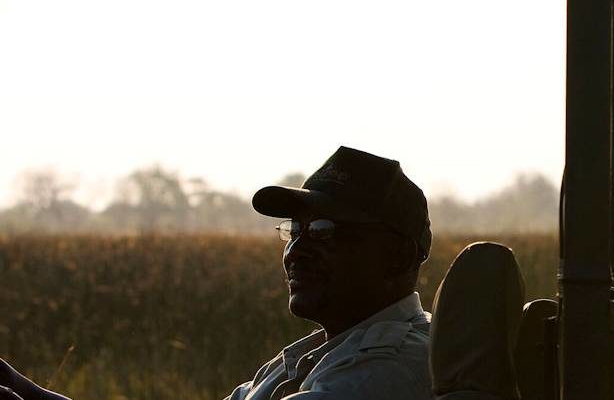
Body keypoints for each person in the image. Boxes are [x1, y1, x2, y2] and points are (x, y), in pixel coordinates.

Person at [0, 146, 436, 400]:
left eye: (324, 231)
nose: (298, 251)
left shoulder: (389, 368)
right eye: (295, 230)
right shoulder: (318, 354)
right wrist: (22, 388)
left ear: (397, 256)